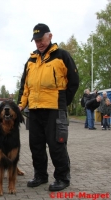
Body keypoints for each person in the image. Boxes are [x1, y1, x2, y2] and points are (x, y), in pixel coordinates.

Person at [17, 23, 79, 191]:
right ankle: (40, 175)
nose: (39, 44)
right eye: (36, 41)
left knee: (56, 145)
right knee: (36, 145)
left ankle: (62, 178)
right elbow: (25, 86)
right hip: (35, 110)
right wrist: (21, 105)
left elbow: (74, 82)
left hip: (54, 110)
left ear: (50, 36)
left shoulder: (62, 56)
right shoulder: (31, 60)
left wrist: (62, 103)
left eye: (41, 39)